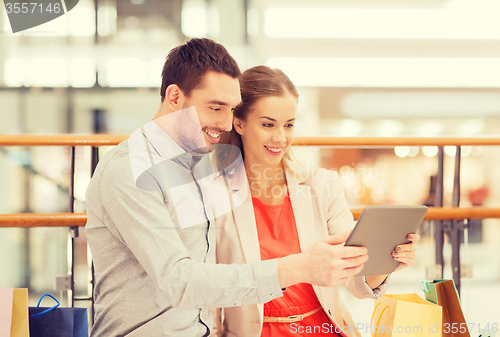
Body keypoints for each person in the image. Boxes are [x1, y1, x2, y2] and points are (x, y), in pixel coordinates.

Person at [85, 39, 370, 337]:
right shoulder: (130, 168)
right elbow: (180, 281)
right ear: (174, 96)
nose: (225, 122)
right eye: (215, 107)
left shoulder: (196, 167)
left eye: (231, 109)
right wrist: (297, 267)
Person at [214, 66, 420, 337]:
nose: (281, 137)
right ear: (238, 123)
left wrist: (386, 261)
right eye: (268, 124)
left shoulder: (321, 186)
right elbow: (208, 290)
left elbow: (356, 283)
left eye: (289, 124)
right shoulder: (214, 197)